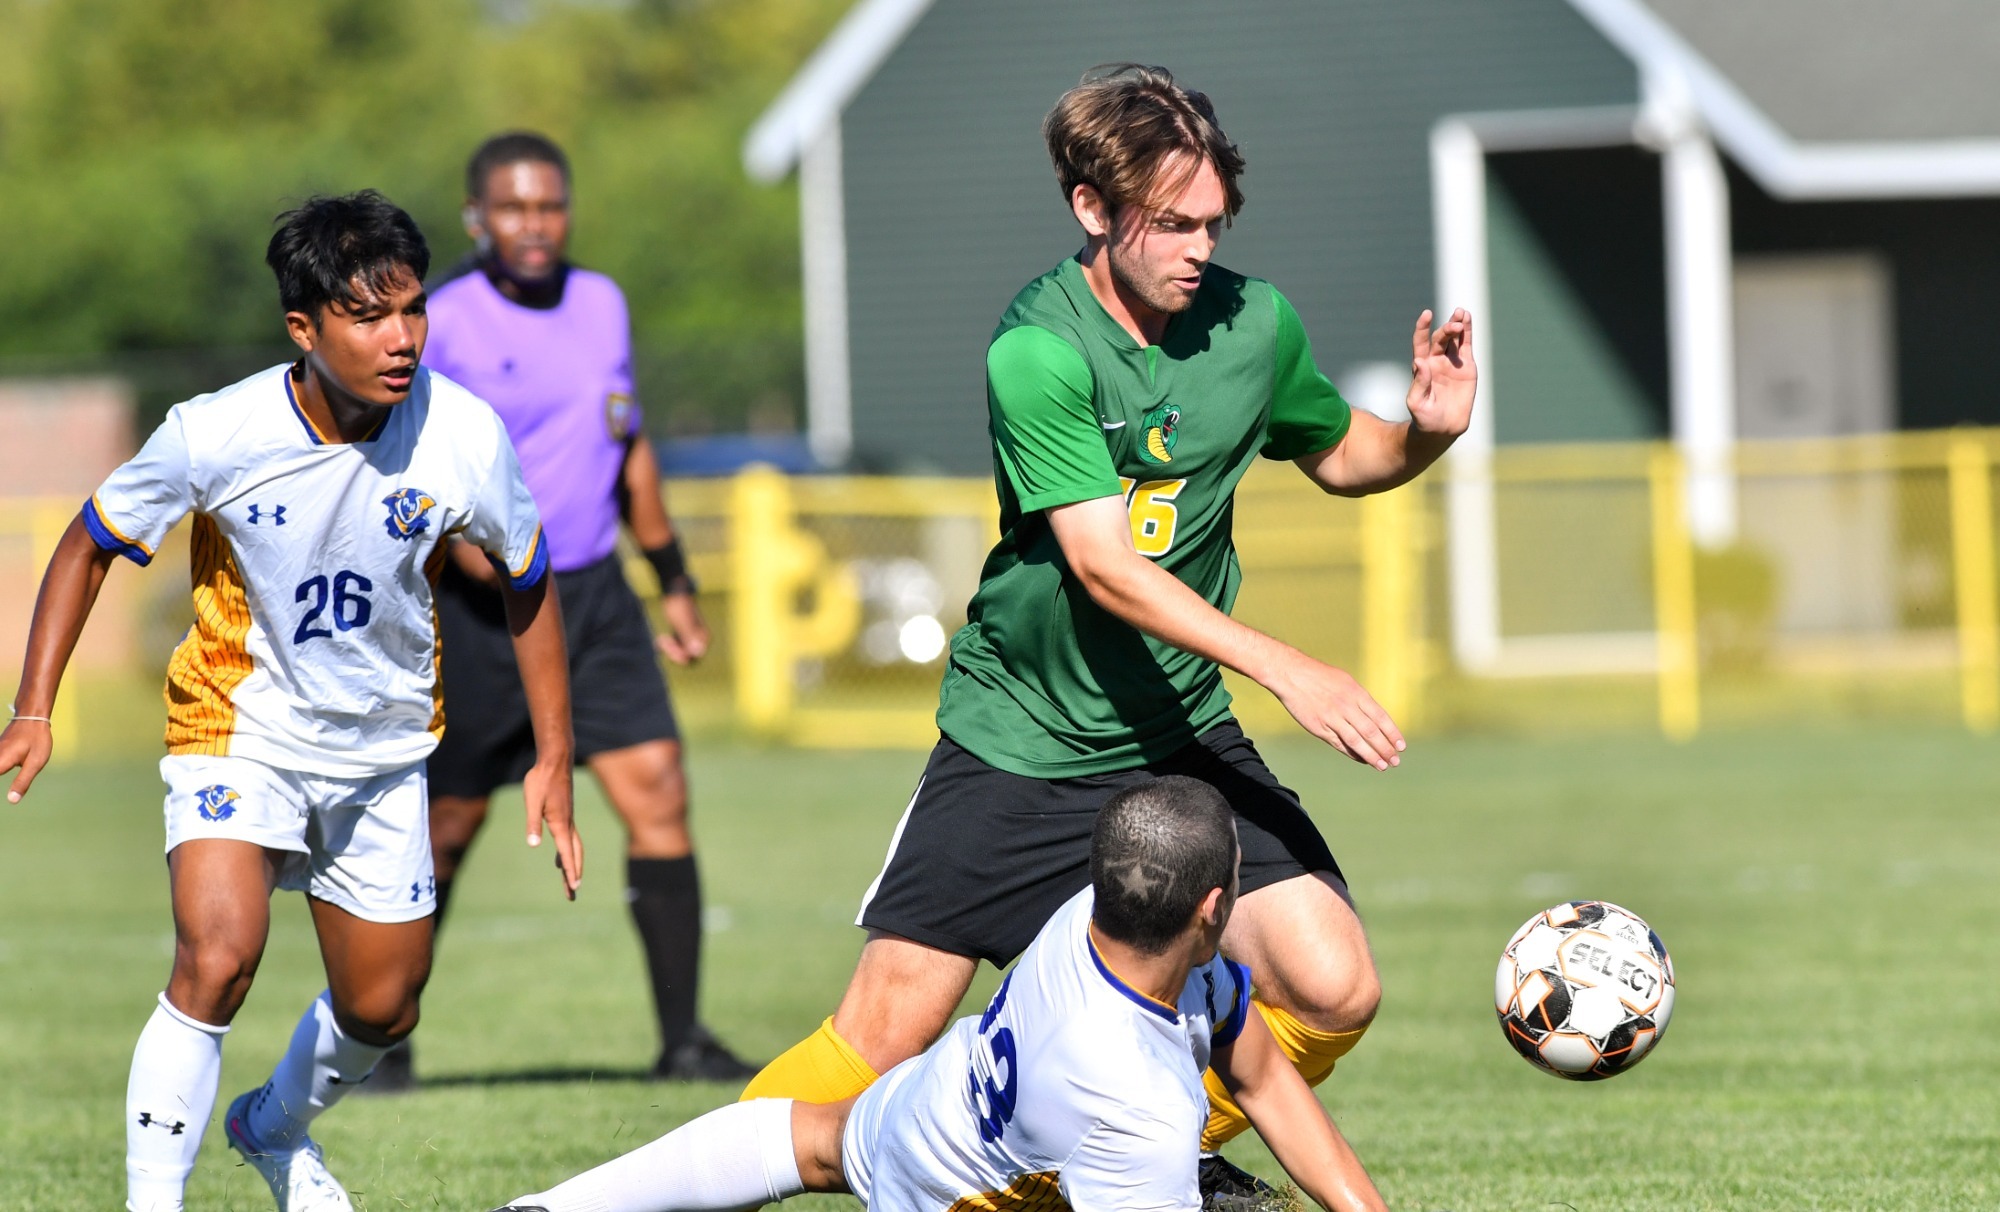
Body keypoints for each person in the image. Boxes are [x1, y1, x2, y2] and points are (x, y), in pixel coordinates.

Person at [738, 65, 1475, 1201]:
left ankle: (1122, 1152)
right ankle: (682, 1177)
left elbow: (1342, 455)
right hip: (1020, 742)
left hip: (1176, 738)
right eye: (1171, 225)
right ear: (1092, 209)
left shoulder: (1253, 323)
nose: (1197, 250)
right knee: (884, 1029)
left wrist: (1422, 434)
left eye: (1212, 224)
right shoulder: (1036, 348)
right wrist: (1284, 665)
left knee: (1332, 983)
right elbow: (1102, 567)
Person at [0, 190, 582, 1212]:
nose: (400, 339)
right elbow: (90, 540)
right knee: (218, 958)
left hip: (385, 749)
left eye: (412, 311)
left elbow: (528, 579)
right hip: (239, 726)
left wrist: (553, 758)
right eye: (368, 316)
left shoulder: (463, 435)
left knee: (384, 1007)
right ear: (304, 330)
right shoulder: (215, 433)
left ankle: (270, 1129)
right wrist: (35, 707)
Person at [493, 776, 1388, 1212]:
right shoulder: (1139, 1106)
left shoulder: (1092, 910)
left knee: (810, 1138)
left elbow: (1266, 1080)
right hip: (956, 1195)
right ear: (1211, 910)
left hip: (925, 1102)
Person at [386, 131, 749, 1087]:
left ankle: (682, 1042)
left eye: (549, 206)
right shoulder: (444, 318)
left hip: (595, 596)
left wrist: (672, 577)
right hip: (478, 609)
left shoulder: (603, 303)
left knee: (658, 792)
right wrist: (479, 566)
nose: (534, 224)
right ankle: (382, 1045)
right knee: (444, 830)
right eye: (513, 207)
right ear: (477, 218)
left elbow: (627, 447)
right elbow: (419, 469)